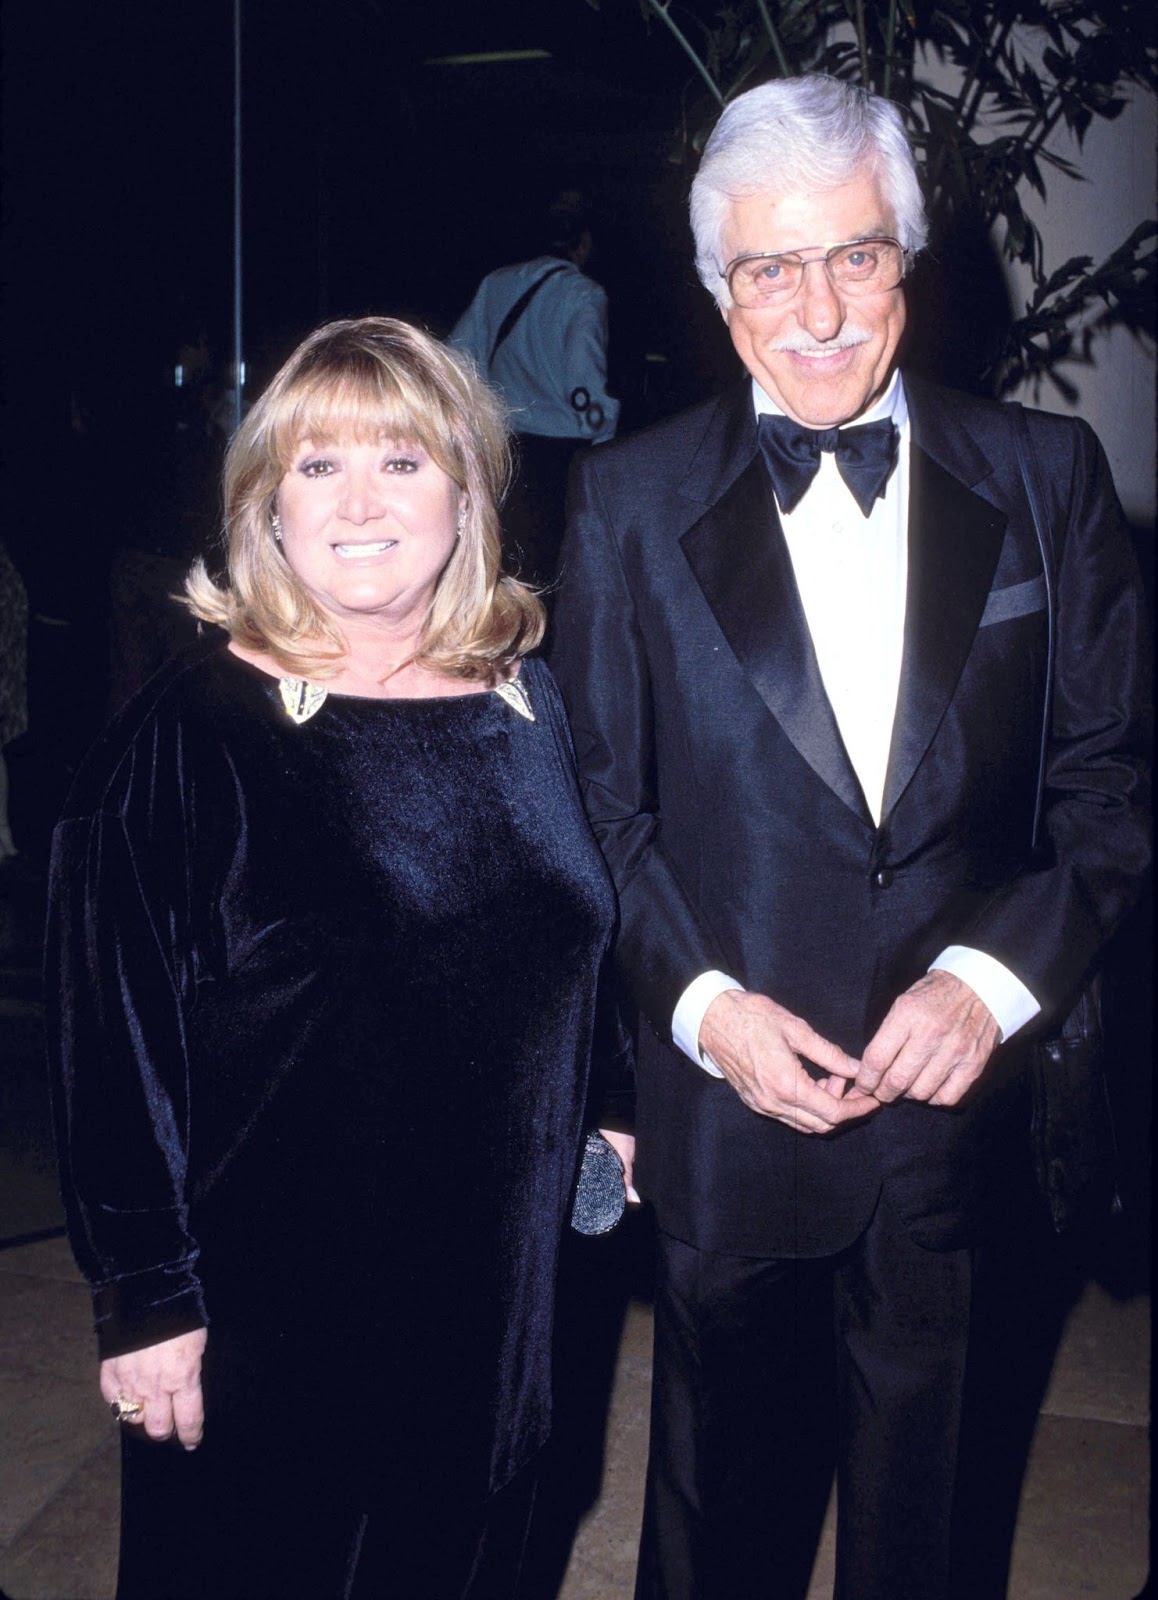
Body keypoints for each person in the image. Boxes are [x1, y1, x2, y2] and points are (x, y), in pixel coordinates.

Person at [550, 75, 1151, 1600]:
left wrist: (993, 984)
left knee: (934, 1533)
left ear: (907, 257)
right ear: (715, 289)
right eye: (767, 267)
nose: (813, 311)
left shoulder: (1044, 478)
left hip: (958, 1125)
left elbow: (1107, 789)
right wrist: (702, 1011)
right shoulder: (623, 505)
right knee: (713, 1535)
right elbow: (596, 811)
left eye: (852, 257)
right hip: (730, 1117)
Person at [46, 316, 622, 1600]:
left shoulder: (522, 697)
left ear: (467, 493)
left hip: (498, 1320)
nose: (362, 504)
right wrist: (146, 1298)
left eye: (404, 464)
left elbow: (572, 921)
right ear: (267, 510)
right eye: (318, 468)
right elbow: (109, 1038)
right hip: (277, 1327)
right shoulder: (194, 733)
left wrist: (614, 1109)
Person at [450, 189, 619, 585]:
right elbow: (583, 379)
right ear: (585, 241)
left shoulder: (497, 283)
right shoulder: (584, 294)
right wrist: (605, 437)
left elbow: (456, 357)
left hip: (502, 444)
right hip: (558, 454)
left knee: (505, 565)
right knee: (556, 569)